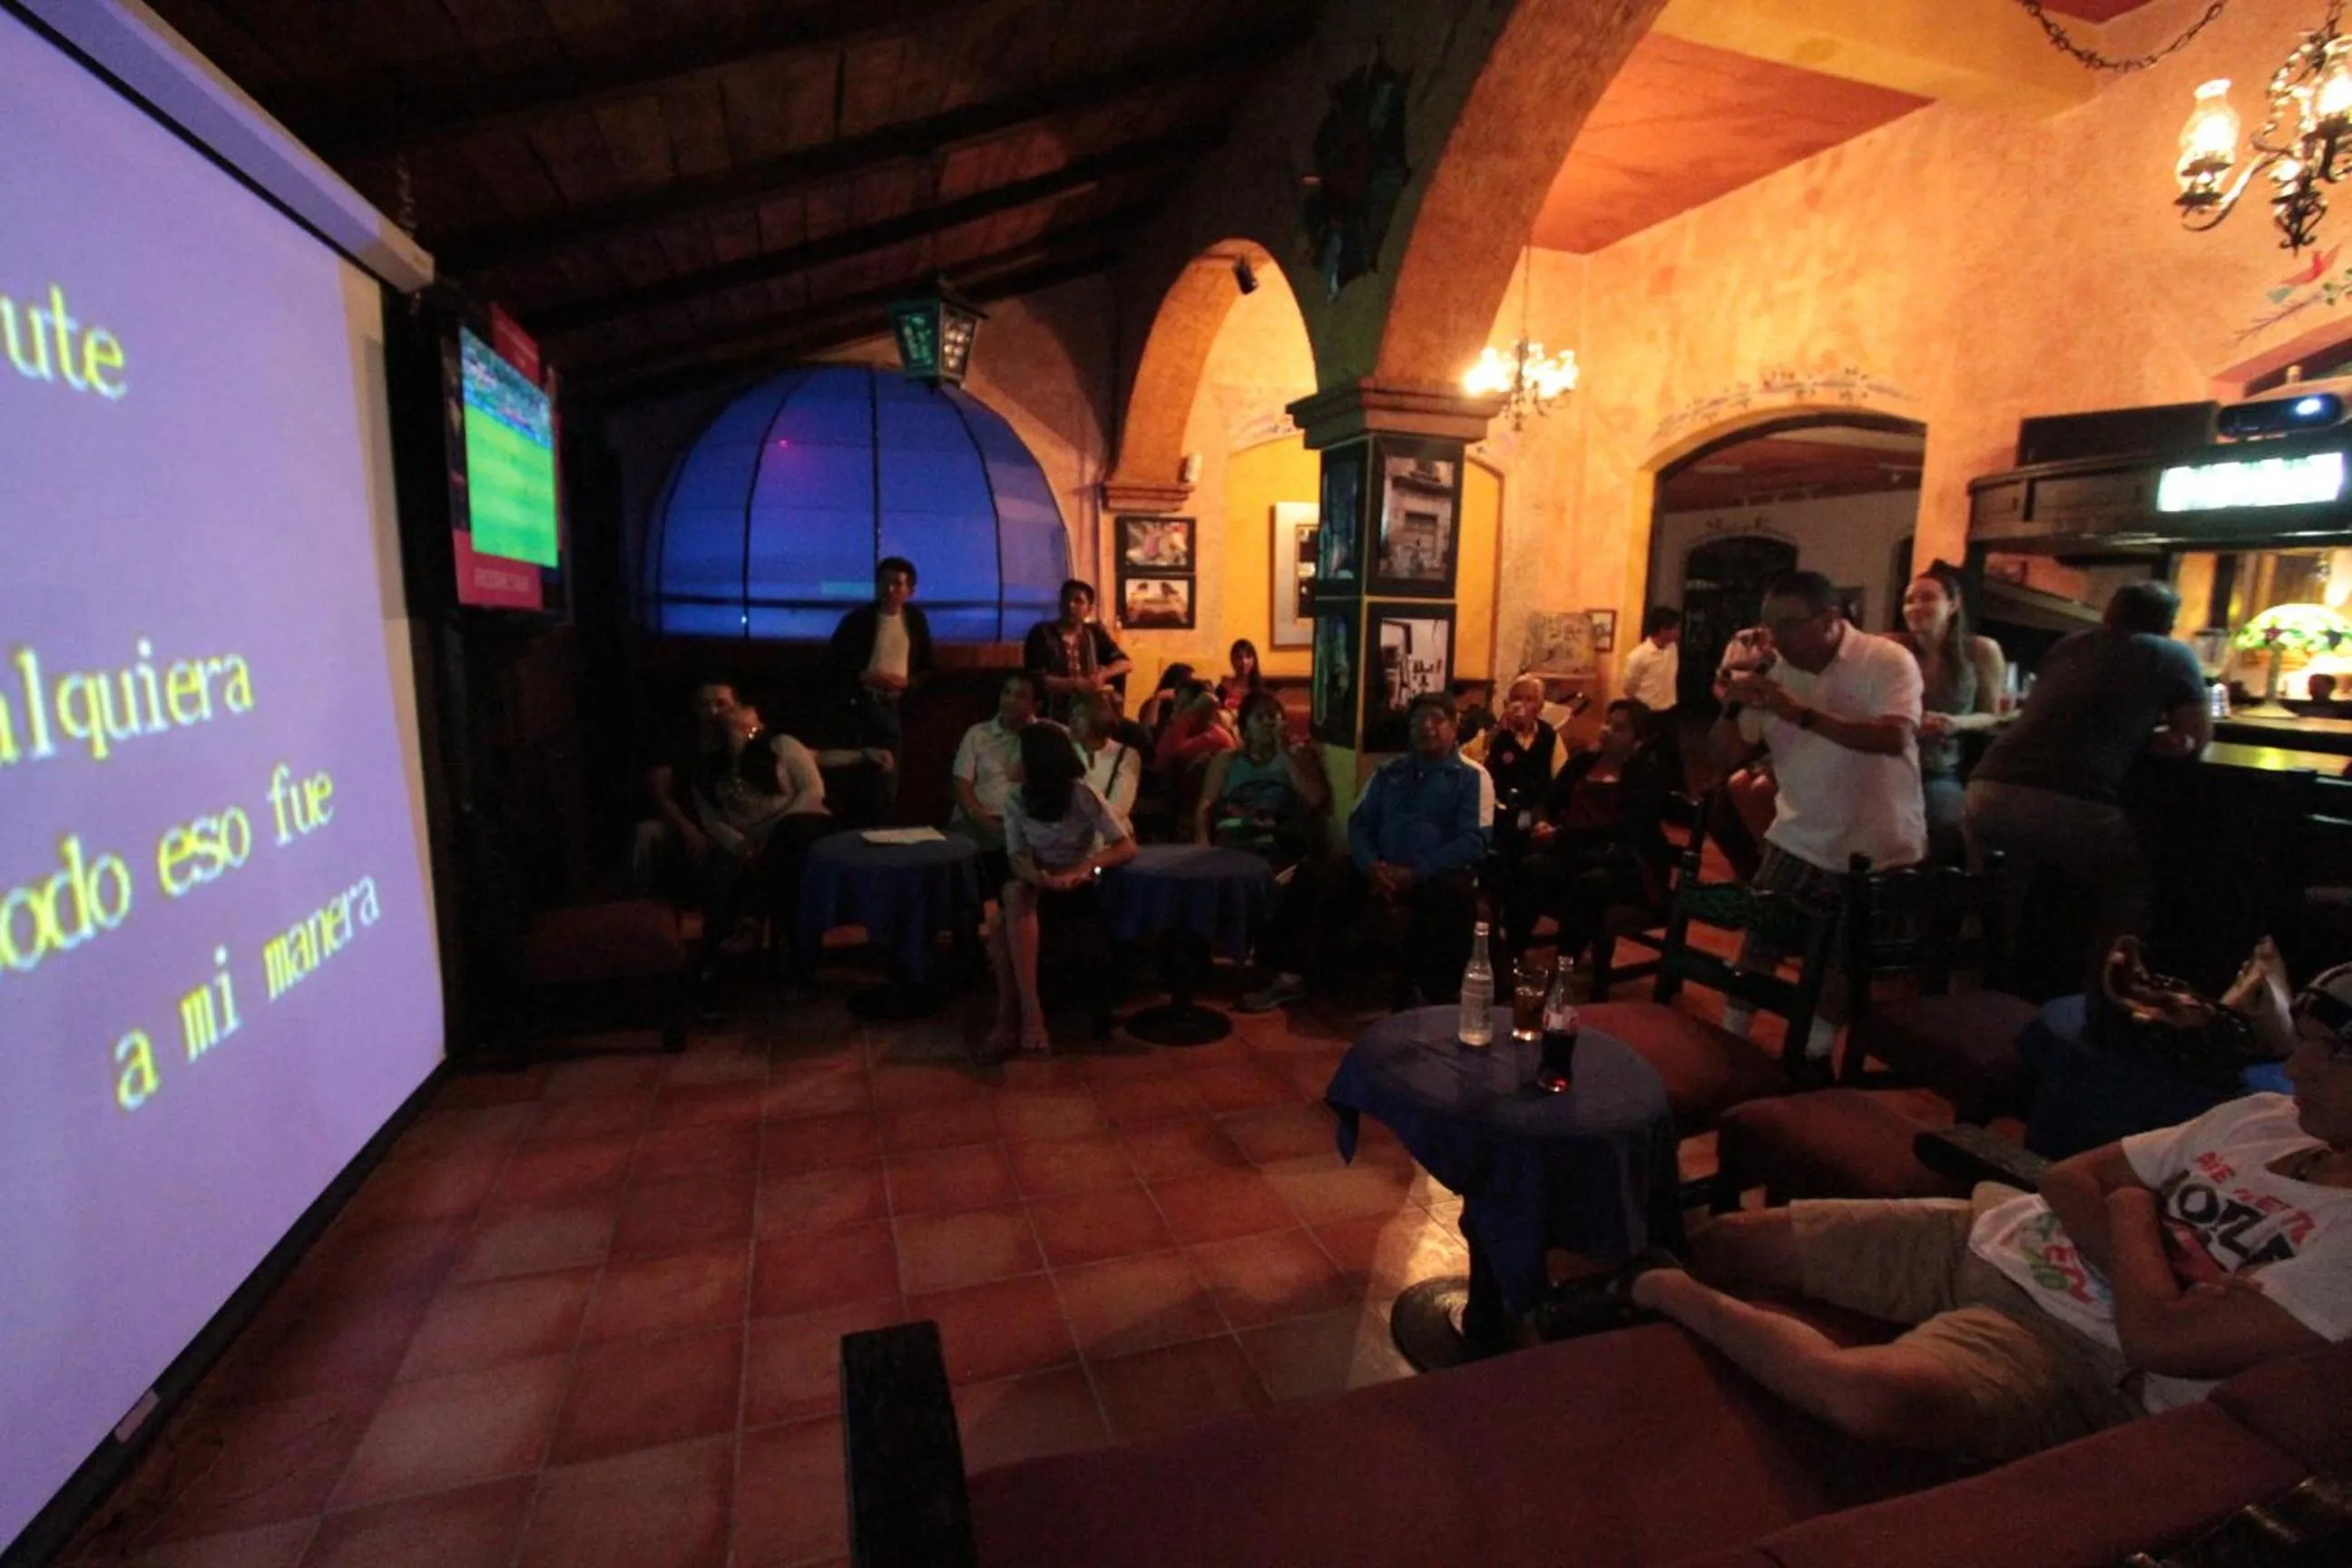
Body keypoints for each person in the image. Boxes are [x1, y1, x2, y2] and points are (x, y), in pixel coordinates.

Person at [1548, 959, 2352, 1467]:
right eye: (2304, 1043)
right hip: (1998, 1233)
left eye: (2326, 1053)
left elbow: (2155, 1341)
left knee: (1871, 1396)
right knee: (1727, 1241)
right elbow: (2073, 1179)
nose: (2292, 1065)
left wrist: (2138, 1208)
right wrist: (2159, 1268)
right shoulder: (2262, 1120)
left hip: (2074, 1353)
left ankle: (1652, 1287)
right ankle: (1594, 1336)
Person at [1710, 569, 1926, 1060]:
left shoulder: (1885, 659)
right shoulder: (1775, 670)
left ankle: (1809, 1062)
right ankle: (1730, 1041)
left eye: (1789, 625)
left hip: (1876, 843)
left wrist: (1800, 713)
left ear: (1830, 618)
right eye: (1769, 627)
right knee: (1760, 942)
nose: (1777, 639)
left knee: (1839, 967)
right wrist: (1730, 706)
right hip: (1798, 833)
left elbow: (1895, 736)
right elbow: (1724, 755)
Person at [1965, 579, 2211, 994]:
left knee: (2007, 895)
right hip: (2070, 800)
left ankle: (1983, 991)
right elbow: (2196, 736)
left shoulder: (2070, 645)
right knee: (2131, 889)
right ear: (2168, 623)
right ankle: (2104, 1000)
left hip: (1986, 790)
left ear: (2108, 613)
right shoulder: (2174, 654)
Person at [985, 720, 1137, 1057]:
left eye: (1016, 753)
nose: (1009, 759)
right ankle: (1029, 1015)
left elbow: (1125, 847)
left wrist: (1084, 868)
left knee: (1001, 928)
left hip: (1078, 885)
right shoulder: (1015, 800)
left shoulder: (1082, 795)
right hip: (1036, 883)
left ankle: (1012, 1018)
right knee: (1013, 897)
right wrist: (1041, 878)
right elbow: (1017, 858)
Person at [1348, 691, 1494, 1008]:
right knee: (1318, 873)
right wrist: (1371, 866)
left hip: (1433, 874)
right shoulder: (1389, 772)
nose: (1427, 728)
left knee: (1452, 895)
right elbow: (1359, 824)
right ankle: (1296, 976)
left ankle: (1430, 992)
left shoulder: (1472, 777)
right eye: (1418, 722)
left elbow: (1475, 841)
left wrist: (1416, 873)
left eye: (1436, 720)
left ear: (1455, 726)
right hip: (1382, 870)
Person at [1509, 698, 1677, 967]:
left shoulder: (1646, 777)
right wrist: (1541, 821)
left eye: (1619, 728)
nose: (1607, 730)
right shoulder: (1583, 763)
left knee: (1590, 884)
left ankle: (1564, 967)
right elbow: (1546, 800)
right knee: (1531, 867)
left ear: (1639, 741)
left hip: (1628, 863)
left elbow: (1622, 830)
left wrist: (1561, 837)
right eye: (1608, 723)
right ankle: (1512, 955)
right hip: (1577, 852)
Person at [694, 702, 836, 989]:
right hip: (749, 843)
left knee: (789, 845)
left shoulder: (782, 746)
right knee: (721, 870)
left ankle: (762, 926)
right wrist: (741, 845)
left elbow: (813, 791)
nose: (748, 732)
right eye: (738, 728)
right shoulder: (708, 768)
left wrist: (769, 835)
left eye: (752, 727)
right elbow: (711, 819)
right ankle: (713, 963)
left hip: (796, 828)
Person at [1888, 566, 2007, 864]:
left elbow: (1993, 717)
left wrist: (1955, 723)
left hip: (1938, 768)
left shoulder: (1980, 650)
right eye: (1909, 600)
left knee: (1948, 827)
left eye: (1927, 598)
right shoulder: (1892, 647)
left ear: (1953, 604)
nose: (1915, 607)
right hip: (1887, 761)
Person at [828, 556, 931, 811]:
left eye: (897, 584)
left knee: (889, 776)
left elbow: (928, 666)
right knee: (855, 774)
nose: (889, 589)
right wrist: (864, 676)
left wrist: (908, 683)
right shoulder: (857, 620)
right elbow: (833, 663)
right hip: (860, 703)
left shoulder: (915, 621)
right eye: (884, 581)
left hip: (896, 706)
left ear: (910, 591)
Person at [632, 680, 739, 897]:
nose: (713, 711)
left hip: (729, 825)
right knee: (646, 833)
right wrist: (688, 829)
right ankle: (638, 904)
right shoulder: (677, 741)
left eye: (721, 704)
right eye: (705, 704)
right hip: (683, 820)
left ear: (735, 706)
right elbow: (661, 794)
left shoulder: (742, 744)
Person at [951, 671, 1041, 891]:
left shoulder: (1047, 735)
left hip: (1024, 825)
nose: (1010, 700)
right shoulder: (978, 734)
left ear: (1035, 704)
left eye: (1020, 696)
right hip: (979, 819)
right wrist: (980, 818)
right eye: (1006, 692)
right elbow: (961, 784)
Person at [1024, 579, 1133, 724]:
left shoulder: (1094, 632)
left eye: (1078, 601)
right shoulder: (1041, 633)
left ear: (1089, 609)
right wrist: (1075, 684)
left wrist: (1102, 674)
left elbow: (1126, 663)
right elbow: (1037, 678)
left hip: (1090, 713)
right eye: (1066, 600)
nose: (1070, 606)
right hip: (1051, 712)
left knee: (1133, 731)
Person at [1069, 690, 1143, 827]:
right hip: (1073, 835)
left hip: (1111, 837)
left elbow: (1120, 807)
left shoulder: (1126, 755)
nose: (1072, 721)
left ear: (1097, 718)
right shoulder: (1066, 750)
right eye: (1071, 715)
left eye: (1080, 715)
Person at [1217, 639, 1264, 711]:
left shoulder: (1259, 689)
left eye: (1248, 657)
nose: (1244, 661)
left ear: (1254, 660)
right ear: (1232, 660)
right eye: (1239, 657)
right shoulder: (1224, 687)